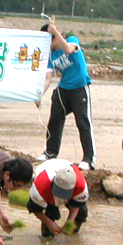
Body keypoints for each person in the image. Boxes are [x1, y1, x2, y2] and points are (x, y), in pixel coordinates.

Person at [36, 19, 95, 170]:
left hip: (79, 88)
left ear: (53, 38)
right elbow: (48, 77)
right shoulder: (51, 55)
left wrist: (55, 33)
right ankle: (50, 152)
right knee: (55, 120)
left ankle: (89, 159)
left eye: (47, 41)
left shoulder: (72, 40)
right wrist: (39, 95)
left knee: (83, 122)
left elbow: (68, 50)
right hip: (63, 89)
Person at [27, 159, 88, 238]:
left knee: (82, 212)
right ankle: (47, 237)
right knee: (51, 213)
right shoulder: (40, 188)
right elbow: (35, 209)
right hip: (47, 171)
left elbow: (76, 205)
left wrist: (70, 220)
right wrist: (49, 223)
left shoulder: (81, 187)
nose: (61, 197)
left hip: (66, 167)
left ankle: (72, 235)